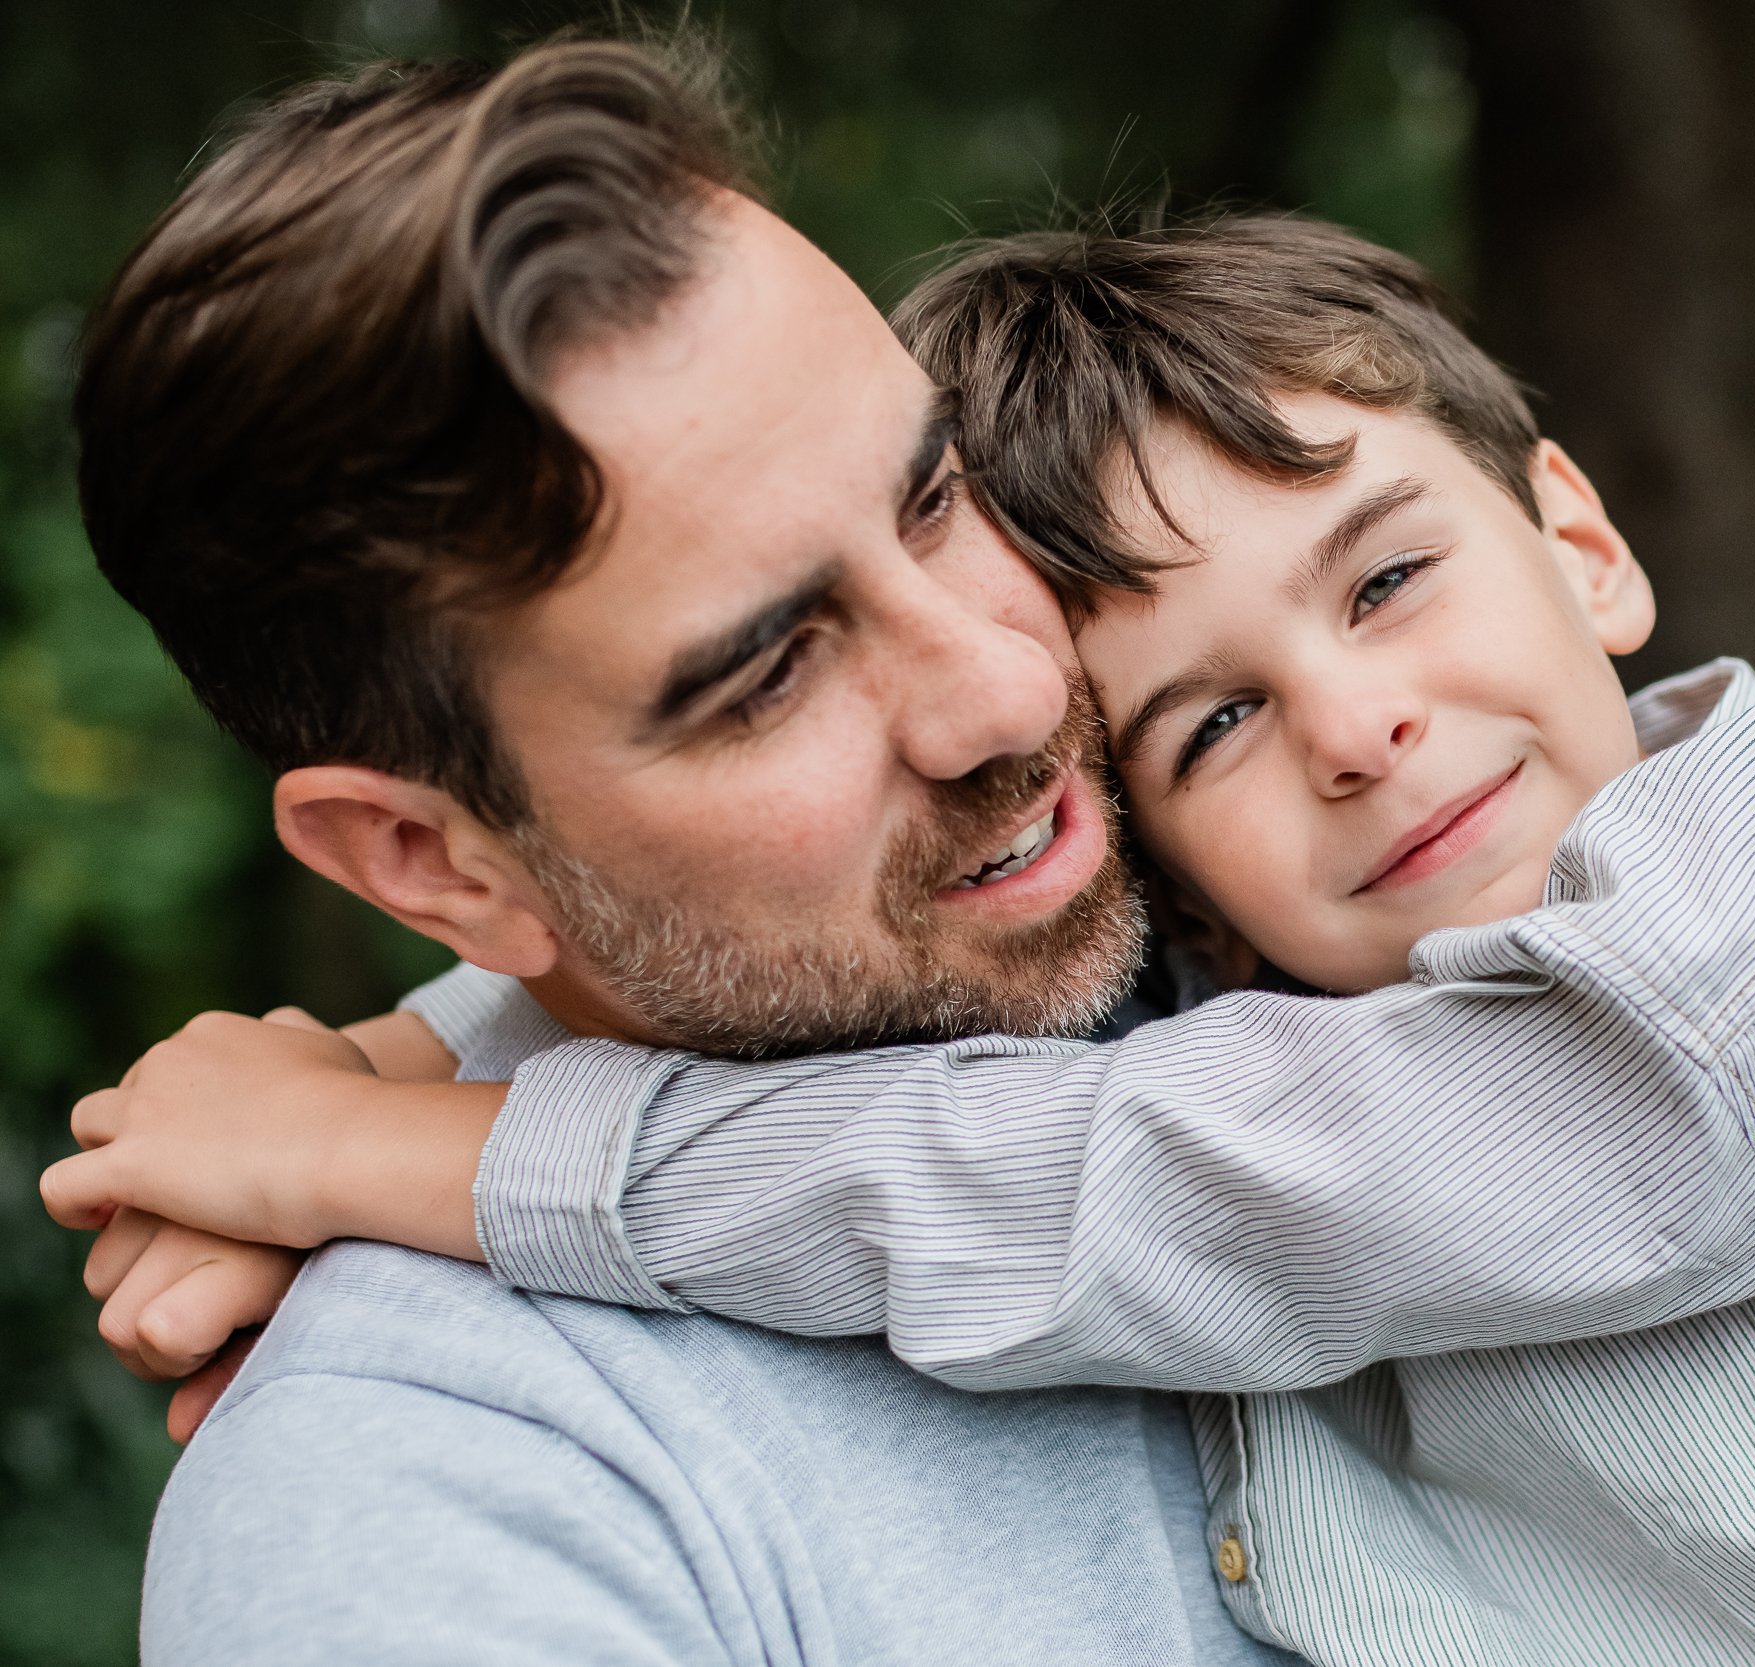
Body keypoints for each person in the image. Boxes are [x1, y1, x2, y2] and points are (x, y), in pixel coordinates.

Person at [54, 211, 1755, 1665]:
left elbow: (1138, 1174)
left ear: (1574, 538)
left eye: (1387, 571)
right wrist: (408, 1053)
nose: (1360, 731)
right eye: (1199, 725)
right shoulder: (434, 1506)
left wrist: (421, 1148)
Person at [49, 36, 1301, 1667]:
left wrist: (362, 1094)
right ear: (433, 865)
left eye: (932, 496)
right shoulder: (444, 1521)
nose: (1001, 691)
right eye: (770, 673)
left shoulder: (1268, 847)